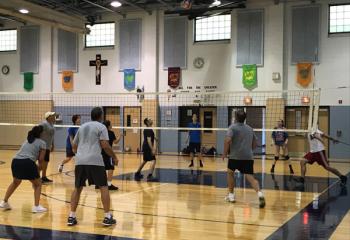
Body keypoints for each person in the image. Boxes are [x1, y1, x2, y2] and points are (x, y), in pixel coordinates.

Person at [67, 107, 118, 226]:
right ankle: (107, 217)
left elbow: (74, 146)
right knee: (103, 187)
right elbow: (105, 145)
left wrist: (81, 154)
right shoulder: (101, 127)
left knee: (77, 188)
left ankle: (71, 216)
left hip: (80, 161)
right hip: (95, 160)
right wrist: (114, 157)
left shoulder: (82, 127)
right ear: (101, 116)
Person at [222, 110, 266, 208]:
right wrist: (248, 150)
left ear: (236, 117)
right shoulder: (250, 128)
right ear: (244, 118)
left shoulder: (232, 127)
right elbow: (255, 144)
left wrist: (224, 153)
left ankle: (231, 196)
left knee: (230, 172)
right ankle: (260, 194)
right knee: (250, 177)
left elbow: (227, 140)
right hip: (248, 157)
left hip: (235, 156)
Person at [0, 126, 47, 213]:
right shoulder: (42, 143)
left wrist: (35, 168)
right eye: (44, 132)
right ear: (40, 133)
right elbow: (41, 159)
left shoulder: (27, 140)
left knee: (16, 182)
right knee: (38, 184)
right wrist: (40, 168)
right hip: (27, 162)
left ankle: (4, 202)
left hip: (15, 161)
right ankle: (36, 206)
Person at [98, 120, 121, 190]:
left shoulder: (100, 133)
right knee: (111, 168)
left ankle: (98, 184)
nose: (112, 125)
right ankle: (109, 185)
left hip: (100, 152)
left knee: (102, 168)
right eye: (111, 124)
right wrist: (120, 136)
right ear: (108, 126)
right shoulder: (111, 133)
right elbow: (116, 142)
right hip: (108, 152)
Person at [40, 111, 56, 183]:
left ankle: (44, 177)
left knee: (46, 163)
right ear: (48, 117)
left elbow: (51, 136)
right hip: (42, 147)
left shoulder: (51, 124)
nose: (53, 117)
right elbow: (38, 133)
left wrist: (52, 144)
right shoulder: (43, 124)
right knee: (41, 163)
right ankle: (37, 178)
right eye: (52, 115)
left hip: (48, 146)